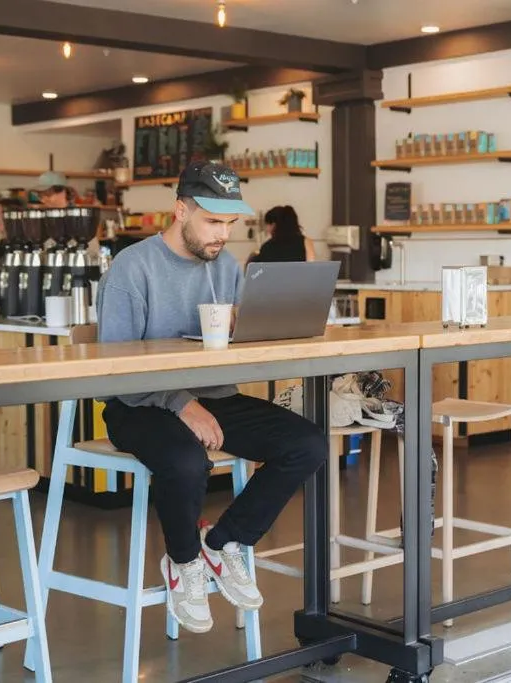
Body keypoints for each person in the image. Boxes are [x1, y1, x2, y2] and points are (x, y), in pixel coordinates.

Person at [96, 161, 326, 634]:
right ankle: (183, 562)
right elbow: (113, 369)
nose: (223, 235)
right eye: (213, 222)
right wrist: (182, 403)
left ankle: (222, 544)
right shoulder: (132, 268)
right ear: (181, 210)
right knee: (186, 461)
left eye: (229, 223)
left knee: (307, 443)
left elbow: (229, 344)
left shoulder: (224, 266)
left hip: (214, 395)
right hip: (137, 402)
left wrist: (266, 334)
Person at [249, 205, 315, 263]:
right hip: (300, 277)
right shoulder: (306, 242)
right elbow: (311, 269)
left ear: (273, 225)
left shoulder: (266, 247)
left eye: (267, 225)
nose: (266, 229)